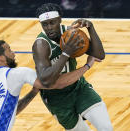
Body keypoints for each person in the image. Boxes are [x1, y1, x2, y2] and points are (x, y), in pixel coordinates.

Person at [0, 40, 98, 131]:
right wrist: (86, 65)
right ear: (1, 58)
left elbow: (11, 111)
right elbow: (55, 84)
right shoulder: (17, 73)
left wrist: (33, 92)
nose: (14, 53)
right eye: (9, 50)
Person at [32, 3, 113, 131]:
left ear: (60, 20)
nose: (49, 28)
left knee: (106, 127)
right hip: (56, 98)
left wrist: (90, 27)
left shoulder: (71, 34)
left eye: (52, 23)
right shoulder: (41, 45)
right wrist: (66, 53)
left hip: (78, 88)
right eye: (45, 24)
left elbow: (99, 55)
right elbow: (46, 80)